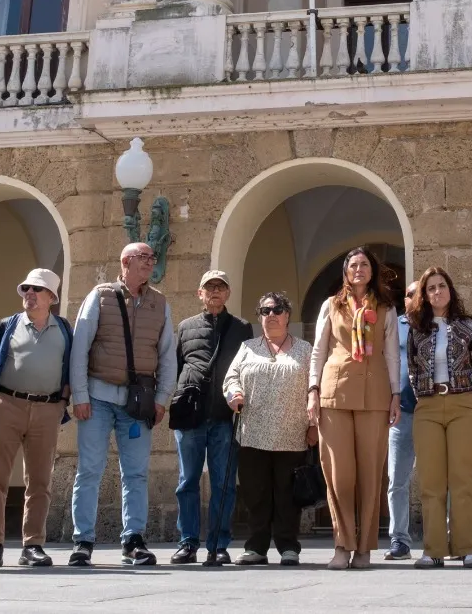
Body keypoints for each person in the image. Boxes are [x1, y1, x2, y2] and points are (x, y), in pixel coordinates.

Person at [68, 241, 176, 567]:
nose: (150, 263)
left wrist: (162, 399)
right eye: (144, 258)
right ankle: (83, 541)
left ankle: (134, 540)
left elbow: (167, 355)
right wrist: (80, 396)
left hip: (137, 404)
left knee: (136, 474)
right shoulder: (99, 296)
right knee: (89, 470)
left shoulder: (160, 303)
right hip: (98, 400)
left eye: (152, 258)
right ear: (126, 262)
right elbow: (80, 347)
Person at [309, 245, 401, 570]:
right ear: (345, 272)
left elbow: (392, 354)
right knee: (340, 474)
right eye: (353, 265)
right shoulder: (330, 306)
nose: (358, 269)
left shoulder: (386, 309)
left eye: (364, 264)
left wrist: (396, 394)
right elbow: (319, 351)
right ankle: (341, 543)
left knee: (370, 473)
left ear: (372, 271)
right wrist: (312, 390)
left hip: (375, 394)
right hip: (334, 392)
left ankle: (364, 548)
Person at [0, 267, 72, 569]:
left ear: (51, 297)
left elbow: (70, 368)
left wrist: (63, 402)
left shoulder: (65, 329)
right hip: (8, 405)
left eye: (36, 290)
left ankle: (33, 545)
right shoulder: (8, 325)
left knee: (40, 480)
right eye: (26, 290)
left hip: (47, 409)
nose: (29, 295)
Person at [224, 292, 315, 565]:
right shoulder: (247, 347)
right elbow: (231, 377)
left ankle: (289, 547)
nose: (271, 315)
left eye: (277, 310)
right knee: (256, 494)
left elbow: (316, 388)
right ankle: (256, 548)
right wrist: (234, 393)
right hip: (253, 433)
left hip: (292, 434)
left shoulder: (305, 349)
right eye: (265, 311)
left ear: (288, 315)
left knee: (288, 495)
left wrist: (314, 425)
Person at [406, 266, 472, 569]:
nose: (437, 291)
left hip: (463, 403)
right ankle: (434, 549)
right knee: (431, 481)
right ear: (424, 296)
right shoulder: (417, 329)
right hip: (427, 406)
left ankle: (468, 548)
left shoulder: (469, 326)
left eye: (442, 286)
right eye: (431, 288)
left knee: (463, 479)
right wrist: (426, 396)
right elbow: (413, 371)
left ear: (450, 290)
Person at [171, 269, 251, 566]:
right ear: (199, 294)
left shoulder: (241, 328)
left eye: (220, 287)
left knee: (224, 483)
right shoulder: (185, 326)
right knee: (187, 481)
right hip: (190, 417)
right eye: (209, 287)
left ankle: (219, 543)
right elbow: (176, 365)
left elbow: (245, 367)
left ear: (227, 293)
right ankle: (187, 542)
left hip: (223, 417)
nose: (215, 292)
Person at [385, 280, 420, 561]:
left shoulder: (439, 324)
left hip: (435, 410)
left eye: (421, 293)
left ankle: (450, 538)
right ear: (404, 300)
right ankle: (400, 540)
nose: (416, 298)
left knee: (444, 478)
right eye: (411, 294)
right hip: (402, 413)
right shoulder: (393, 325)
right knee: (397, 479)